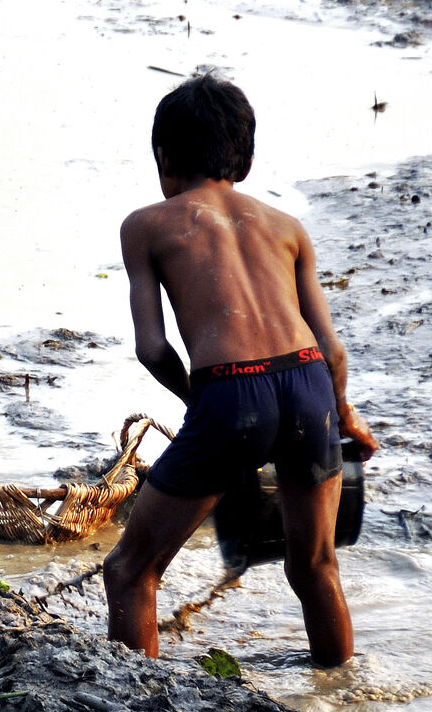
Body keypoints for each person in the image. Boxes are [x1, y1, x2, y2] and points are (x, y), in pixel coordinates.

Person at [100, 75, 378, 667]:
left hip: (230, 393)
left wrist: (201, 404)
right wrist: (343, 415)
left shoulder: (147, 225)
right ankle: (343, 695)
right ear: (244, 159)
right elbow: (332, 351)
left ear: (163, 157)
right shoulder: (286, 227)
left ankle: (134, 708)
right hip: (308, 385)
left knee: (129, 570)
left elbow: (152, 348)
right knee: (316, 566)